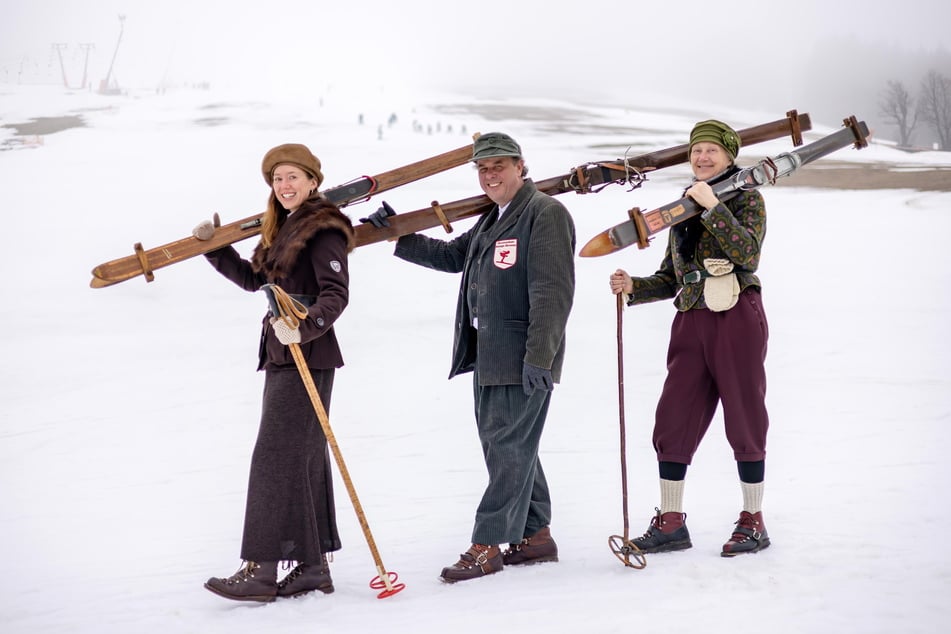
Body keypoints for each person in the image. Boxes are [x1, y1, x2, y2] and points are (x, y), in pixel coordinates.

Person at [362, 132, 576, 582]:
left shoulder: (545, 214)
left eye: (498, 165)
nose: (490, 175)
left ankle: (487, 545)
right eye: (482, 168)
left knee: (508, 448)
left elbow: (552, 293)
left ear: (521, 166)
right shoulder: (492, 218)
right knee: (512, 448)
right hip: (488, 355)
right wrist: (396, 233)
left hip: (523, 358)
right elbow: (452, 257)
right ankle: (536, 537)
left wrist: (540, 357)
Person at [194, 143, 355, 601]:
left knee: (273, 459)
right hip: (283, 354)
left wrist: (303, 329)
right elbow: (254, 280)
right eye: (277, 179)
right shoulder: (281, 228)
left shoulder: (323, 229)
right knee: (300, 460)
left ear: (312, 181)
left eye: (292, 177)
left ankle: (260, 569)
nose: (284, 186)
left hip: (308, 354)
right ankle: (311, 567)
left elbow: (335, 294)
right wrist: (216, 248)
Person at [608, 120, 771, 558]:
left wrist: (714, 207)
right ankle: (671, 522)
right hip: (691, 320)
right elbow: (670, 277)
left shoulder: (748, 198)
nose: (701, 158)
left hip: (736, 313)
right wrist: (634, 287)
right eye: (696, 150)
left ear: (729, 156)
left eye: (711, 151)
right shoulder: (683, 206)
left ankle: (752, 520)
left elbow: (748, 254)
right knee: (674, 416)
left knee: (744, 413)